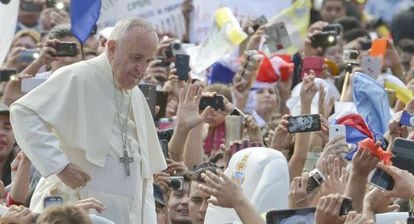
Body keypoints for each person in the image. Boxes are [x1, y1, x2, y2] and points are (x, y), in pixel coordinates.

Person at [10, 17, 167, 224]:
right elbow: (22, 112)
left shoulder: (135, 95)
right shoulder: (77, 76)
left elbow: (142, 176)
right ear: (112, 48)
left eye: (147, 61)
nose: (142, 69)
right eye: (136, 58)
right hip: (73, 211)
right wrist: (60, 166)